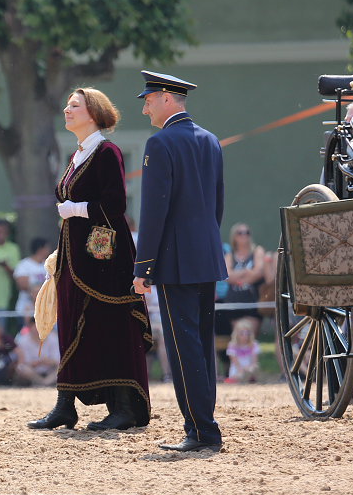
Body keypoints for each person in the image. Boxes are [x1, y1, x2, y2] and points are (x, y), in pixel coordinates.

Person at [29, 87, 152, 432]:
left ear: (93, 113)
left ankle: (124, 407)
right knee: (71, 326)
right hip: (75, 258)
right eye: (67, 105)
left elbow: (115, 205)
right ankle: (65, 406)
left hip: (105, 260)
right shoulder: (79, 154)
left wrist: (75, 209)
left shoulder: (107, 151)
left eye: (74, 106)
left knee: (110, 325)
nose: (66, 111)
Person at [132, 71, 227, 453]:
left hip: (174, 260)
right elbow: (216, 206)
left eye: (149, 99)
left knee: (183, 346)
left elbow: (154, 212)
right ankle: (202, 424)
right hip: (205, 255)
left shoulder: (161, 142)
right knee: (201, 345)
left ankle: (202, 430)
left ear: (168, 98)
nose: (144, 108)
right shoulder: (211, 140)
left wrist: (143, 267)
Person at [222, 223, 265, 337]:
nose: (244, 235)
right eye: (240, 233)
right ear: (234, 236)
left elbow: (258, 273)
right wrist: (246, 271)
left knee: (249, 337)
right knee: (238, 338)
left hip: (252, 300)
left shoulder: (257, 250)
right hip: (234, 302)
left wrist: (239, 280)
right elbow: (227, 275)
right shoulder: (230, 254)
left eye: (247, 232)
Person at [13, 238, 50, 322]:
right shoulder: (24, 265)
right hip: (25, 310)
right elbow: (22, 285)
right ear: (40, 249)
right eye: (47, 248)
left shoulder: (49, 266)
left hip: (46, 311)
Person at [14, 318, 59, 386]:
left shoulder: (53, 338)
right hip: (32, 372)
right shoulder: (23, 340)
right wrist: (38, 362)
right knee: (22, 368)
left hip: (50, 371)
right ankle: (42, 382)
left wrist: (46, 361)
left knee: (62, 367)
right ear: (30, 327)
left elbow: (56, 360)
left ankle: (45, 382)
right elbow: (25, 362)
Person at [225, 319, 260, 384]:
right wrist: (242, 370)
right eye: (242, 333)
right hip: (237, 370)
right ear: (236, 333)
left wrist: (248, 368)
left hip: (249, 369)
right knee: (240, 375)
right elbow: (234, 362)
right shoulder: (232, 345)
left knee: (254, 368)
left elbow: (254, 361)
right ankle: (245, 378)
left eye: (247, 333)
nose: (245, 336)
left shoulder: (254, 345)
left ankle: (248, 377)